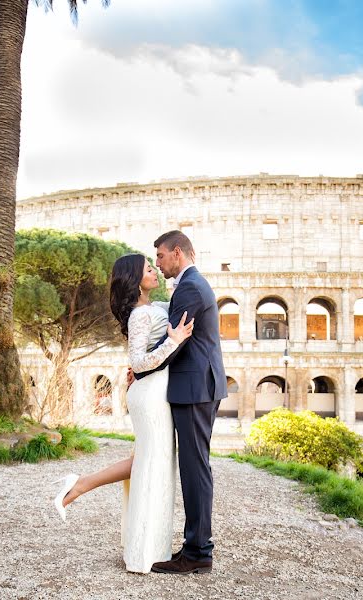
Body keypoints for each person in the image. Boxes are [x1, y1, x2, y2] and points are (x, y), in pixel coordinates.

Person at [52, 253, 193, 574]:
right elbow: (140, 362)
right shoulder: (138, 315)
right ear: (134, 278)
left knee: (150, 462)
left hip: (159, 391)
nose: (154, 270)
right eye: (147, 268)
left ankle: (81, 485)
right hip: (150, 394)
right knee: (151, 464)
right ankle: (143, 551)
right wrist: (173, 342)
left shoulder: (155, 307)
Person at [136, 230, 227, 575]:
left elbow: (178, 341)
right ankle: (197, 547)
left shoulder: (190, 287)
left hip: (195, 388)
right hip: (199, 386)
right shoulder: (193, 284)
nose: (157, 264)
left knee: (195, 469)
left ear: (177, 253)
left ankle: (198, 551)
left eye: (159, 256)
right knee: (195, 466)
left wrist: (141, 370)